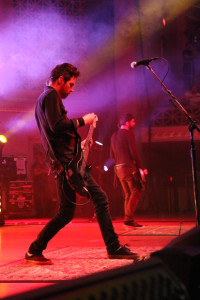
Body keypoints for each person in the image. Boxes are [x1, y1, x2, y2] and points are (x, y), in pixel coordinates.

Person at [25, 63, 138, 264]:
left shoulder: (44, 99)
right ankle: (113, 247)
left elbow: (55, 134)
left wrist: (80, 143)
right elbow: (57, 126)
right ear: (60, 80)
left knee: (66, 213)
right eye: (70, 84)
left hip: (65, 163)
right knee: (101, 199)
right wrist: (82, 121)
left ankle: (34, 250)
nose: (72, 88)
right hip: (68, 166)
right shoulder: (51, 96)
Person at [110, 113, 147, 227]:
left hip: (118, 169)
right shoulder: (128, 134)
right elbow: (134, 153)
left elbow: (111, 156)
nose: (134, 123)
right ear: (127, 122)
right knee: (136, 191)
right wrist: (141, 168)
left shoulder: (114, 135)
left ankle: (128, 218)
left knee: (128, 193)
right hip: (127, 168)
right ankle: (129, 219)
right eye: (133, 121)